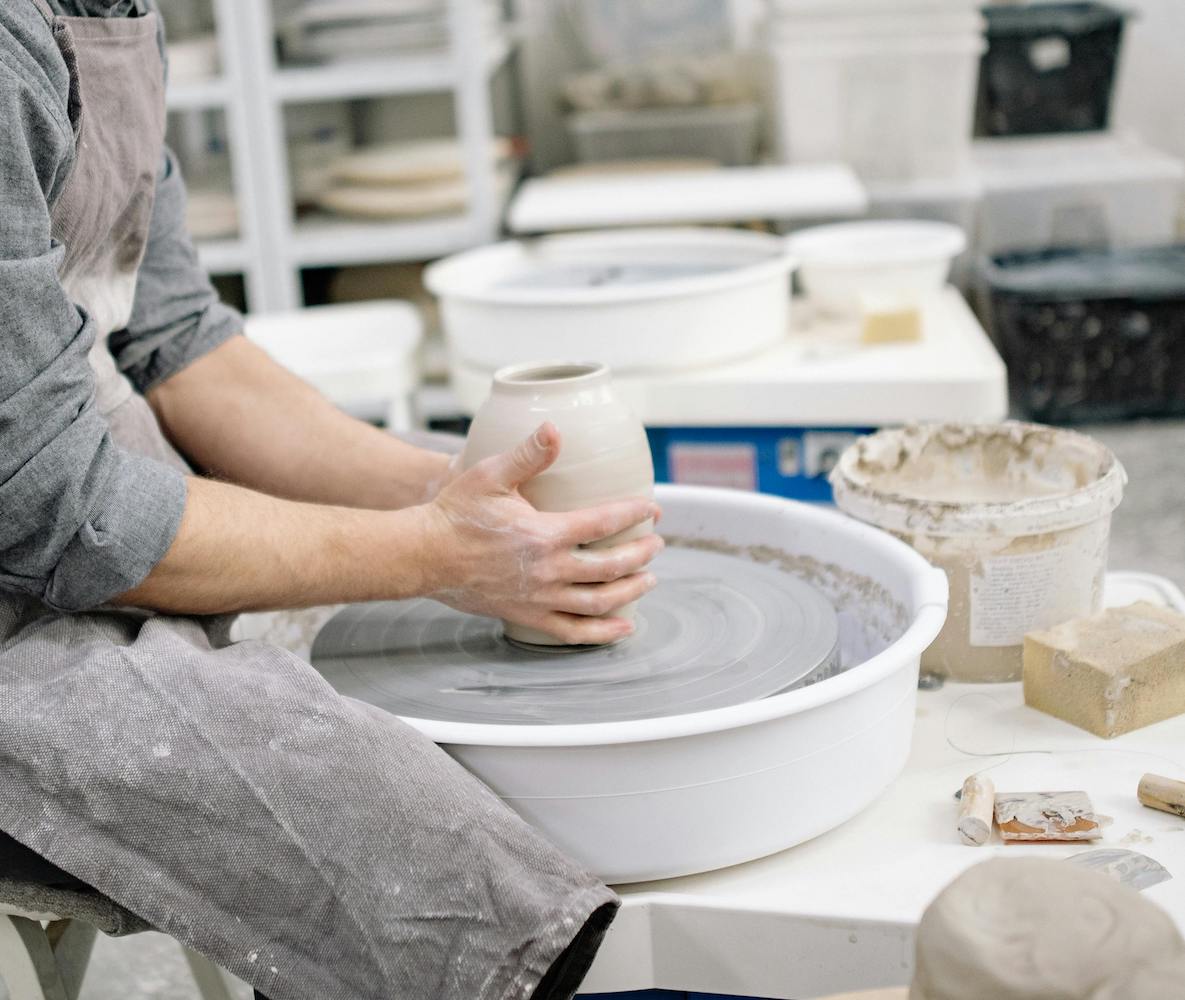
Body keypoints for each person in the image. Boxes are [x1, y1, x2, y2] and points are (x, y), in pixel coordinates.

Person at [0, 2, 662, 998]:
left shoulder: (110, 13)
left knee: (411, 645)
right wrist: (438, 553)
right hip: (24, 601)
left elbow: (179, 340)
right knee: (403, 823)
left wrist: (449, 495)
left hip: (85, 510)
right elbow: (59, 506)